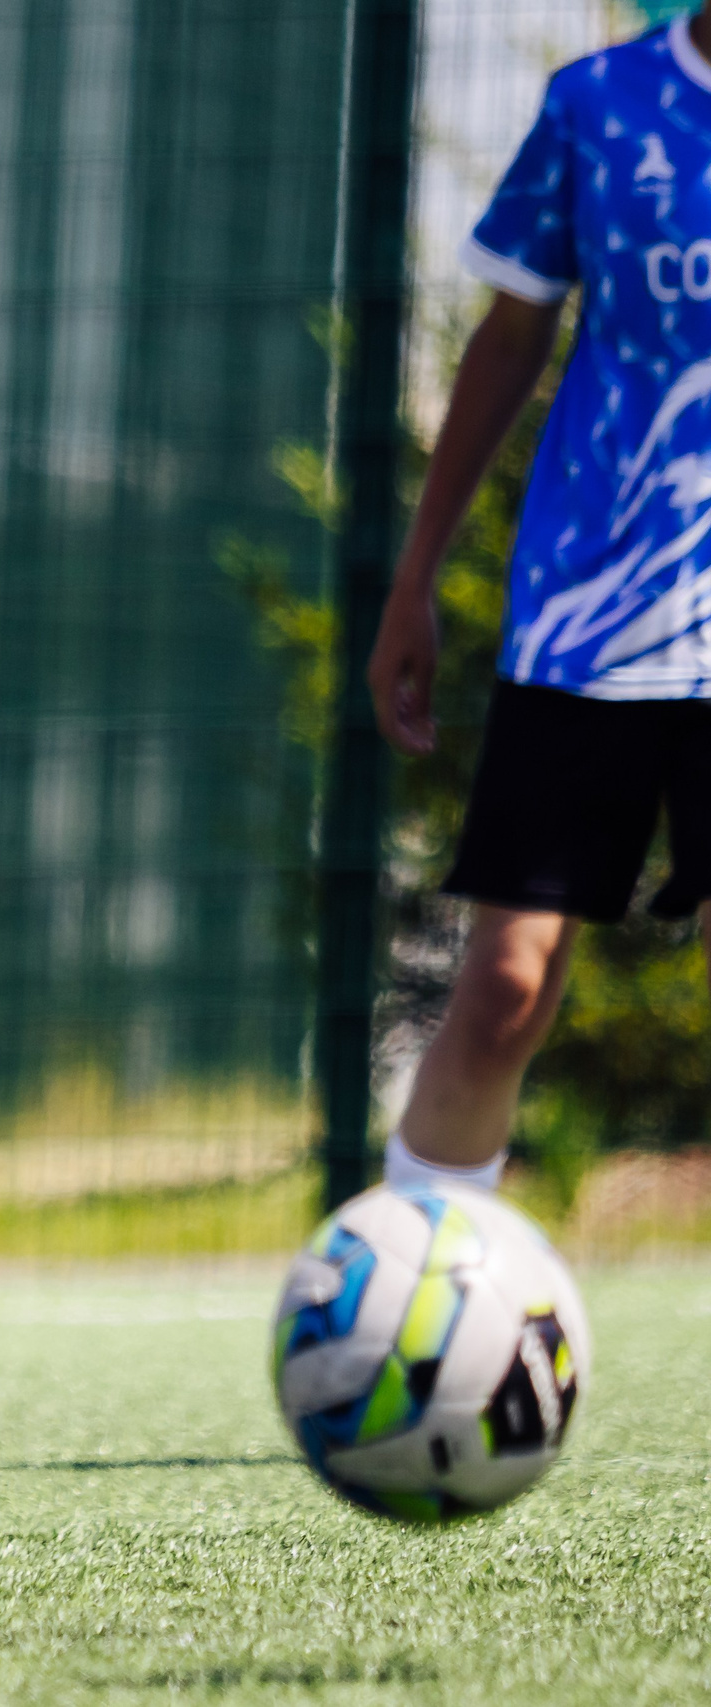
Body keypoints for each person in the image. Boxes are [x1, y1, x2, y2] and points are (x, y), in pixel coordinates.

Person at [368, 6, 711, 1196]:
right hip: (588, 615)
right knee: (507, 988)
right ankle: (410, 1287)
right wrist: (416, 576)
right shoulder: (597, 106)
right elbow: (511, 337)